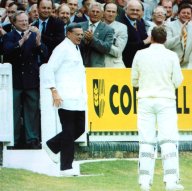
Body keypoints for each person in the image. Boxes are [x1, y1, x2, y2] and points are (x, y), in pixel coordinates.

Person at [131, 26, 184, 191]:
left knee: (146, 140)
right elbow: (178, 80)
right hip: (165, 99)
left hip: (146, 99)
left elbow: (134, 80)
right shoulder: (171, 55)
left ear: (151, 37)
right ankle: (170, 181)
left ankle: (145, 181)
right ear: (165, 39)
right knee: (168, 140)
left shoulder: (140, 54)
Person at [42, 23, 87, 176]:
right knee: (68, 132)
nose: (80, 37)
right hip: (65, 96)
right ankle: (66, 168)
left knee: (80, 128)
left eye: (81, 34)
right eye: (77, 34)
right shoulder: (61, 48)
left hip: (78, 97)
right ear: (68, 33)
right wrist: (54, 91)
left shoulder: (75, 48)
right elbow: (49, 68)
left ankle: (52, 145)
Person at [3, 11, 48, 149]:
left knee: (32, 111)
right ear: (14, 22)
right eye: (21, 21)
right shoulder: (9, 36)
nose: (24, 23)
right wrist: (21, 41)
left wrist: (39, 42)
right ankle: (13, 140)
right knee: (14, 112)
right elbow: (6, 51)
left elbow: (45, 55)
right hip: (15, 81)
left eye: (26, 21)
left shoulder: (34, 35)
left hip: (31, 80)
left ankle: (32, 139)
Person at [165, 3, 192, 68]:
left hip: (184, 66)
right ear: (178, 14)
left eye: (188, 13)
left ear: (191, 16)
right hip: (169, 64)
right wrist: (180, 36)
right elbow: (166, 45)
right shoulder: (169, 26)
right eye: (183, 13)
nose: (186, 14)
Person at [79, 1, 114, 67]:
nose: (95, 14)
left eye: (97, 12)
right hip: (79, 65)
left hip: (96, 67)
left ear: (102, 14)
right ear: (88, 12)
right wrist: (83, 40)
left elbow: (107, 49)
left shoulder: (108, 29)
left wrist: (92, 39)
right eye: (93, 11)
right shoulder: (79, 26)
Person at [120, 0, 150, 68]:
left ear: (142, 12)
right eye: (132, 10)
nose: (135, 12)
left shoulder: (140, 23)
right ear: (126, 10)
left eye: (137, 10)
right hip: (125, 64)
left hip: (139, 63)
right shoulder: (121, 23)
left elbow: (146, 40)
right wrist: (144, 42)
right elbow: (125, 47)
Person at [103, 2, 127, 68]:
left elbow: (118, 52)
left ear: (116, 14)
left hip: (115, 66)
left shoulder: (122, 27)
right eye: (108, 11)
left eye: (113, 12)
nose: (111, 14)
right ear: (103, 12)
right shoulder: (97, 26)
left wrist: (100, 41)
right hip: (98, 66)